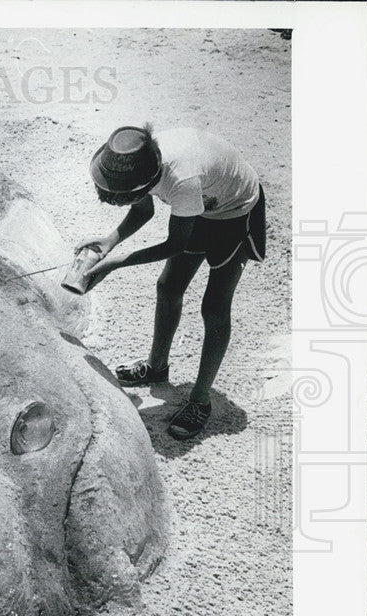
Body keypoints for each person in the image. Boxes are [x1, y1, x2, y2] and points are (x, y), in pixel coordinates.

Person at [76, 125, 265, 440]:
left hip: (233, 209)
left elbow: (175, 244)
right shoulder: (141, 163)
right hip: (202, 203)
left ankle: (200, 401)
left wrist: (113, 265)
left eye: (124, 197)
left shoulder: (182, 180)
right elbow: (143, 209)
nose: (122, 201)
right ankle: (157, 367)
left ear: (142, 185)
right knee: (169, 287)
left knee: (214, 306)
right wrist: (110, 241)